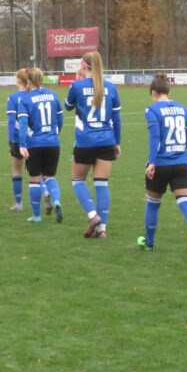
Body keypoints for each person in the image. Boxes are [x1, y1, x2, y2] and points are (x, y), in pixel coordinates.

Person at [137, 74, 187, 257]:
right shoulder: (183, 108)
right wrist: (179, 149)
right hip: (182, 162)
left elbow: (155, 138)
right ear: (169, 91)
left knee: (153, 203)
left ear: (153, 92)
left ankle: (149, 243)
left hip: (161, 163)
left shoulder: (152, 110)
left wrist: (152, 161)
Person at [65, 51, 122, 239]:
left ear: (83, 66)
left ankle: (93, 215)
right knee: (101, 184)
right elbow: (117, 119)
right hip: (107, 141)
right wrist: (117, 142)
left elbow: (67, 106)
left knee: (77, 180)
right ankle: (102, 228)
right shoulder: (111, 88)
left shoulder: (77, 86)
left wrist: (78, 79)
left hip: (85, 141)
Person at [17, 67, 64, 223]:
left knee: (34, 180)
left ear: (29, 81)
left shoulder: (25, 99)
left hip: (34, 143)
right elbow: (60, 119)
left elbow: (23, 124)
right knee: (50, 177)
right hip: (53, 143)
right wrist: (56, 134)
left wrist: (22, 144)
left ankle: (37, 216)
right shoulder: (53, 95)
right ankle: (56, 201)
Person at [6, 68, 30, 211]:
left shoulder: (13, 98)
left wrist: (11, 139)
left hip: (17, 137)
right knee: (36, 171)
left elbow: (11, 120)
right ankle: (46, 191)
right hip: (34, 137)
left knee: (17, 170)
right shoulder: (32, 95)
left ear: (19, 80)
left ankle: (19, 203)